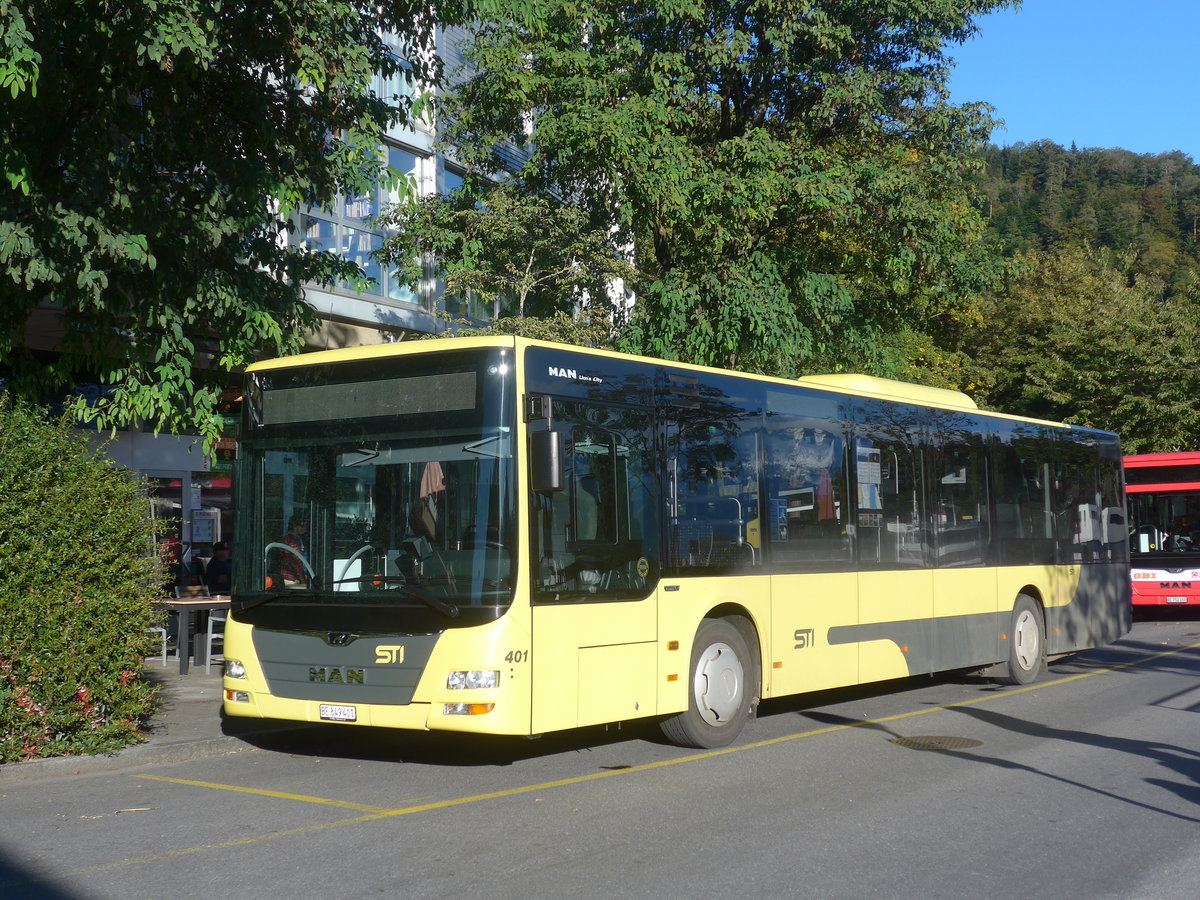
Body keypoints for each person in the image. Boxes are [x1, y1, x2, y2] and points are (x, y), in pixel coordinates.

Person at [278, 516, 309, 586]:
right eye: (303, 526)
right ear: (295, 526)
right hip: (292, 579)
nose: (305, 529)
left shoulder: (288, 538)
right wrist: (303, 580)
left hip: (288, 576)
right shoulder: (292, 541)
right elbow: (297, 561)